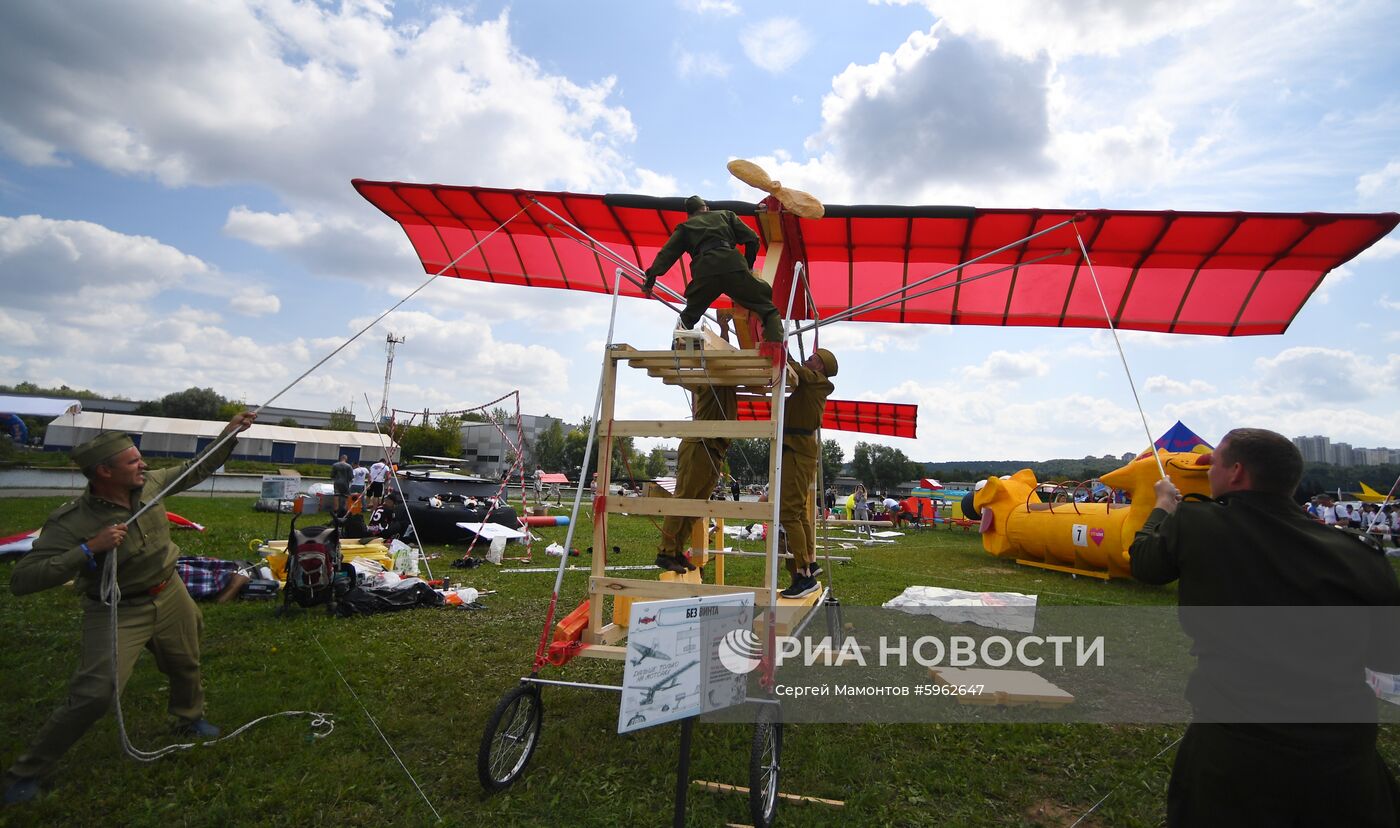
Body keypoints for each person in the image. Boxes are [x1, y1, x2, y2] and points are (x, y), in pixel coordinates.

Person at [1128, 428, 1400, 827]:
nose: (1208, 473)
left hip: (1235, 753)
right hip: (1342, 756)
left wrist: (1163, 507)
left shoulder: (1197, 523)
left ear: (1236, 473)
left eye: (1214, 464)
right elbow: (1387, 655)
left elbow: (1146, 563)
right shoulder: (1359, 551)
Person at [3, 411, 257, 805]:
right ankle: (26, 771)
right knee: (95, 693)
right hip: (118, 606)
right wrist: (88, 549)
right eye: (133, 461)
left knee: (185, 661)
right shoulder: (74, 521)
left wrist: (231, 433)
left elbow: (195, 469)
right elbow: (23, 580)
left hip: (169, 591)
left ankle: (189, 718)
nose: (144, 464)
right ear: (104, 472)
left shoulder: (150, 484)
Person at [641, 196, 783, 346]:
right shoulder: (726, 215)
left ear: (689, 215)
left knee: (688, 317)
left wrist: (650, 279)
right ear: (706, 209)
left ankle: (677, 353)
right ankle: (774, 348)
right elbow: (753, 239)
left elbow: (666, 255)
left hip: (705, 274)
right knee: (768, 310)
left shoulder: (685, 227)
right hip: (733, 267)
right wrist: (747, 265)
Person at [656, 384, 738, 573]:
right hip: (699, 445)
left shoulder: (730, 385)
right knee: (684, 500)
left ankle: (676, 551)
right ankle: (665, 552)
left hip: (715, 450)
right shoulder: (715, 379)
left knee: (696, 507)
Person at [777, 349, 837, 599]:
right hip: (798, 450)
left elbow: (795, 367)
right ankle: (809, 563)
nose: (808, 360)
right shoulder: (813, 383)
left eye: (813, 358)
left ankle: (803, 575)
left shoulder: (815, 379)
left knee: (788, 512)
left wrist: (781, 345)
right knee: (799, 511)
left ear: (820, 367)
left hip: (798, 451)